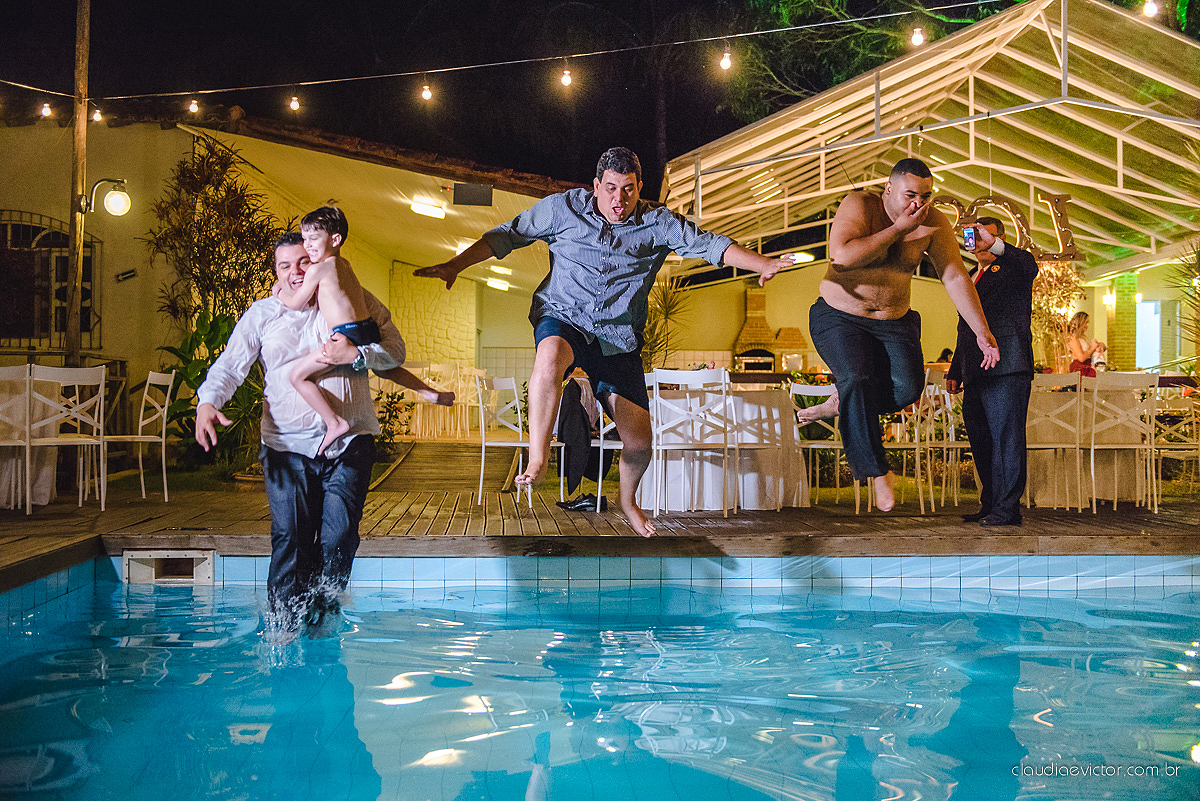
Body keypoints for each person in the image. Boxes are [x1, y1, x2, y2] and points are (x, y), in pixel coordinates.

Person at [414, 146, 797, 537]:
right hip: (564, 316)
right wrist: (455, 264)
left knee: (640, 442)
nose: (619, 200)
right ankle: (538, 457)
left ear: (639, 187)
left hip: (617, 338)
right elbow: (506, 236)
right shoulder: (562, 209)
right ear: (596, 186)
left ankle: (628, 501)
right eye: (611, 188)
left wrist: (763, 263)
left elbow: (710, 244)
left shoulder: (657, 223)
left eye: (628, 190)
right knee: (550, 356)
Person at [196, 231, 408, 642]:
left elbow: (395, 350)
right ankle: (282, 628)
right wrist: (208, 402)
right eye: (285, 265)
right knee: (291, 539)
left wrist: (358, 354)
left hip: (349, 444)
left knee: (339, 537)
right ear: (276, 272)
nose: (295, 272)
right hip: (286, 447)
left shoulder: (354, 301)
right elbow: (231, 365)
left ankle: (323, 621)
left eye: (303, 262)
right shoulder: (263, 314)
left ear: (319, 262)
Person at [800, 158, 999, 511]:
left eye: (926, 196)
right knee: (856, 377)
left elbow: (955, 276)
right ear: (888, 189)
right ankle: (878, 473)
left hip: (895, 322)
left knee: (907, 390)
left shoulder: (934, 222)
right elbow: (841, 257)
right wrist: (897, 229)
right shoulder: (861, 205)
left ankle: (844, 400)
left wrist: (982, 331)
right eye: (910, 195)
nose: (918, 204)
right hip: (840, 317)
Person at [946, 216, 1039, 527]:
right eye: (976, 237)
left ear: (1000, 239)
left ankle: (1007, 509)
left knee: (1006, 439)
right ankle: (989, 504)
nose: (981, 242)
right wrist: (956, 370)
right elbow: (967, 326)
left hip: (1007, 367)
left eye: (987, 236)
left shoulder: (1014, 268)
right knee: (982, 440)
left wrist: (996, 245)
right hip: (975, 371)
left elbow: (1029, 264)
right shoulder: (970, 276)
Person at [1065, 311, 1105, 376]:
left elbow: (1088, 353)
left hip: (1088, 366)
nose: (1087, 325)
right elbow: (1081, 358)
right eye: (1086, 322)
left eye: (1088, 323)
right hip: (1080, 369)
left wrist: (1098, 347)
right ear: (1080, 323)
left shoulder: (1083, 336)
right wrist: (1092, 348)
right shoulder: (1073, 338)